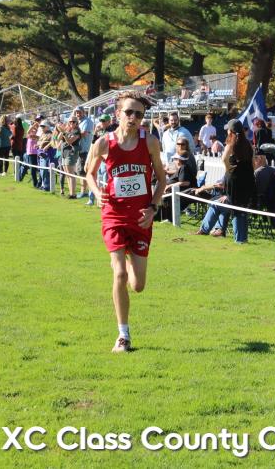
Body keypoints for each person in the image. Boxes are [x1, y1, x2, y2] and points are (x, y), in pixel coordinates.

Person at [85, 92, 165, 353]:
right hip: (114, 215)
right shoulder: (104, 143)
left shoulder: (150, 142)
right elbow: (89, 174)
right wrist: (97, 193)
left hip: (141, 218)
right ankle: (123, 335)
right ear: (118, 113)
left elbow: (162, 179)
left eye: (139, 114)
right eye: (129, 112)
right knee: (119, 274)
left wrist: (153, 207)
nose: (133, 118)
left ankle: (129, 258)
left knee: (138, 286)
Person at [220, 120, 256, 243]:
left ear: (231, 131)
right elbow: (253, 164)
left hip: (235, 181)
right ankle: (242, 238)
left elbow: (224, 158)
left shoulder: (231, 144)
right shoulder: (248, 144)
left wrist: (228, 168)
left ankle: (239, 238)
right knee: (243, 208)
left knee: (236, 209)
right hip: (248, 179)